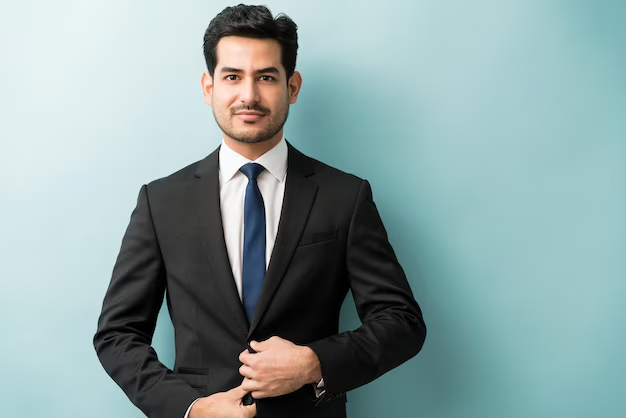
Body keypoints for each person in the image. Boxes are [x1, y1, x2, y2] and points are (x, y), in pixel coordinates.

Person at [93, 4, 426, 418]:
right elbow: (117, 334)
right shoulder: (161, 202)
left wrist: (315, 363)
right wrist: (190, 408)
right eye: (232, 76)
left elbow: (402, 322)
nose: (248, 95)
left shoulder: (345, 196)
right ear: (208, 87)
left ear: (292, 86)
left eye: (266, 77)